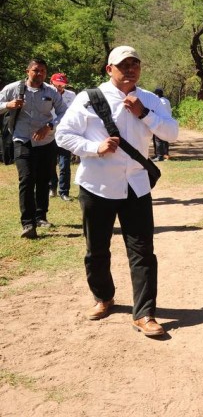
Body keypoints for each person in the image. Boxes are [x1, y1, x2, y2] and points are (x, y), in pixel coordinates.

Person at [55, 46, 179, 336]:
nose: (131, 69)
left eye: (135, 64)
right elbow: (63, 134)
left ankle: (144, 313)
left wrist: (144, 114)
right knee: (96, 250)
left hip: (136, 185)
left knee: (143, 253)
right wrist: (93, 148)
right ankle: (103, 297)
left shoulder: (149, 99)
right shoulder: (89, 98)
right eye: (124, 65)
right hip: (96, 185)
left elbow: (171, 133)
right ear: (109, 69)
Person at [0, 58, 66, 238]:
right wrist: (8, 105)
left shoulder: (51, 91)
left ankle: (41, 216)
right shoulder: (13, 89)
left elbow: (64, 112)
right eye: (36, 70)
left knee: (43, 180)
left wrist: (50, 126)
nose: (40, 74)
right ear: (27, 71)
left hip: (46, 142)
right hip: (22, 140)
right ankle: (28, 224)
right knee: (27, 179)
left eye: (43, 71)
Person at [49, 73, 77, 201]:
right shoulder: (46, 93)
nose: (60, 87)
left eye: (62, 85)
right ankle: (51, 188)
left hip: (65, 133)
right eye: (57, 84)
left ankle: (64, 191)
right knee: (49, 163)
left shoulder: (71, 96)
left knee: (64, 164)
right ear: (51, 82)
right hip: (48, 132)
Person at [152, 88, 172, 161]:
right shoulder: (167, 101)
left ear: (156, 94)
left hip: (159, 122)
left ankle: (159, 156)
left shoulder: (157, 101)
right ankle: (166, 154)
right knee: (165, 139)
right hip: (167, 121)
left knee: (158, 139)